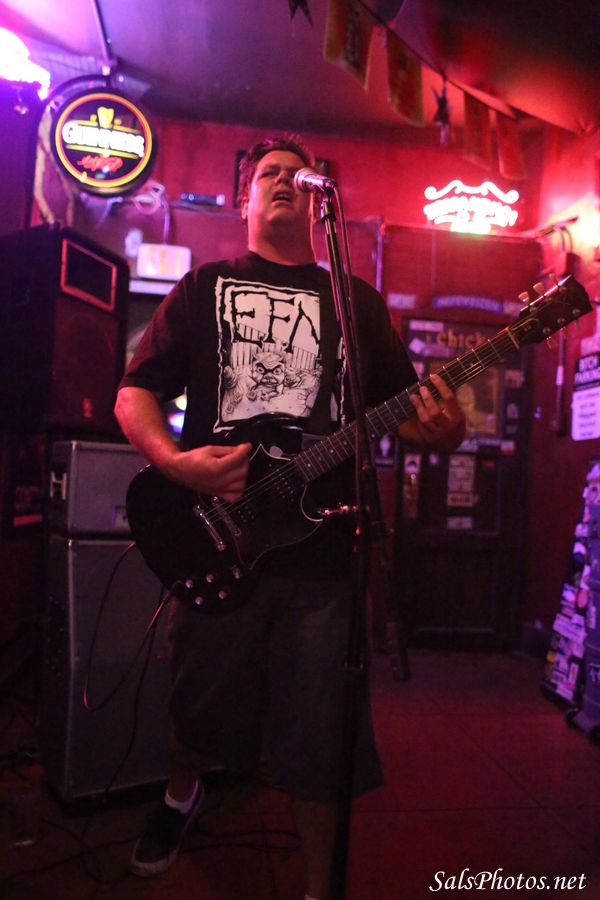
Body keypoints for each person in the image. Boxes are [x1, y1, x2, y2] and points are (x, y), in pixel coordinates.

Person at [114, 135, 466, 900]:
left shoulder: (354, 302)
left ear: (316, 199)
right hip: (218, 532)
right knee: (198, 700)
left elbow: (406, 413)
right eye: (268, 173)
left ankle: (316, 886)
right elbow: (133, 393)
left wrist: (445, 426)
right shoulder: (204, 287)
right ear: (245, 198)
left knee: (320, 736)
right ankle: (180, 796)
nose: (284, 181)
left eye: (296, 174)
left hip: (323, 552)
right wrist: (176, 463)